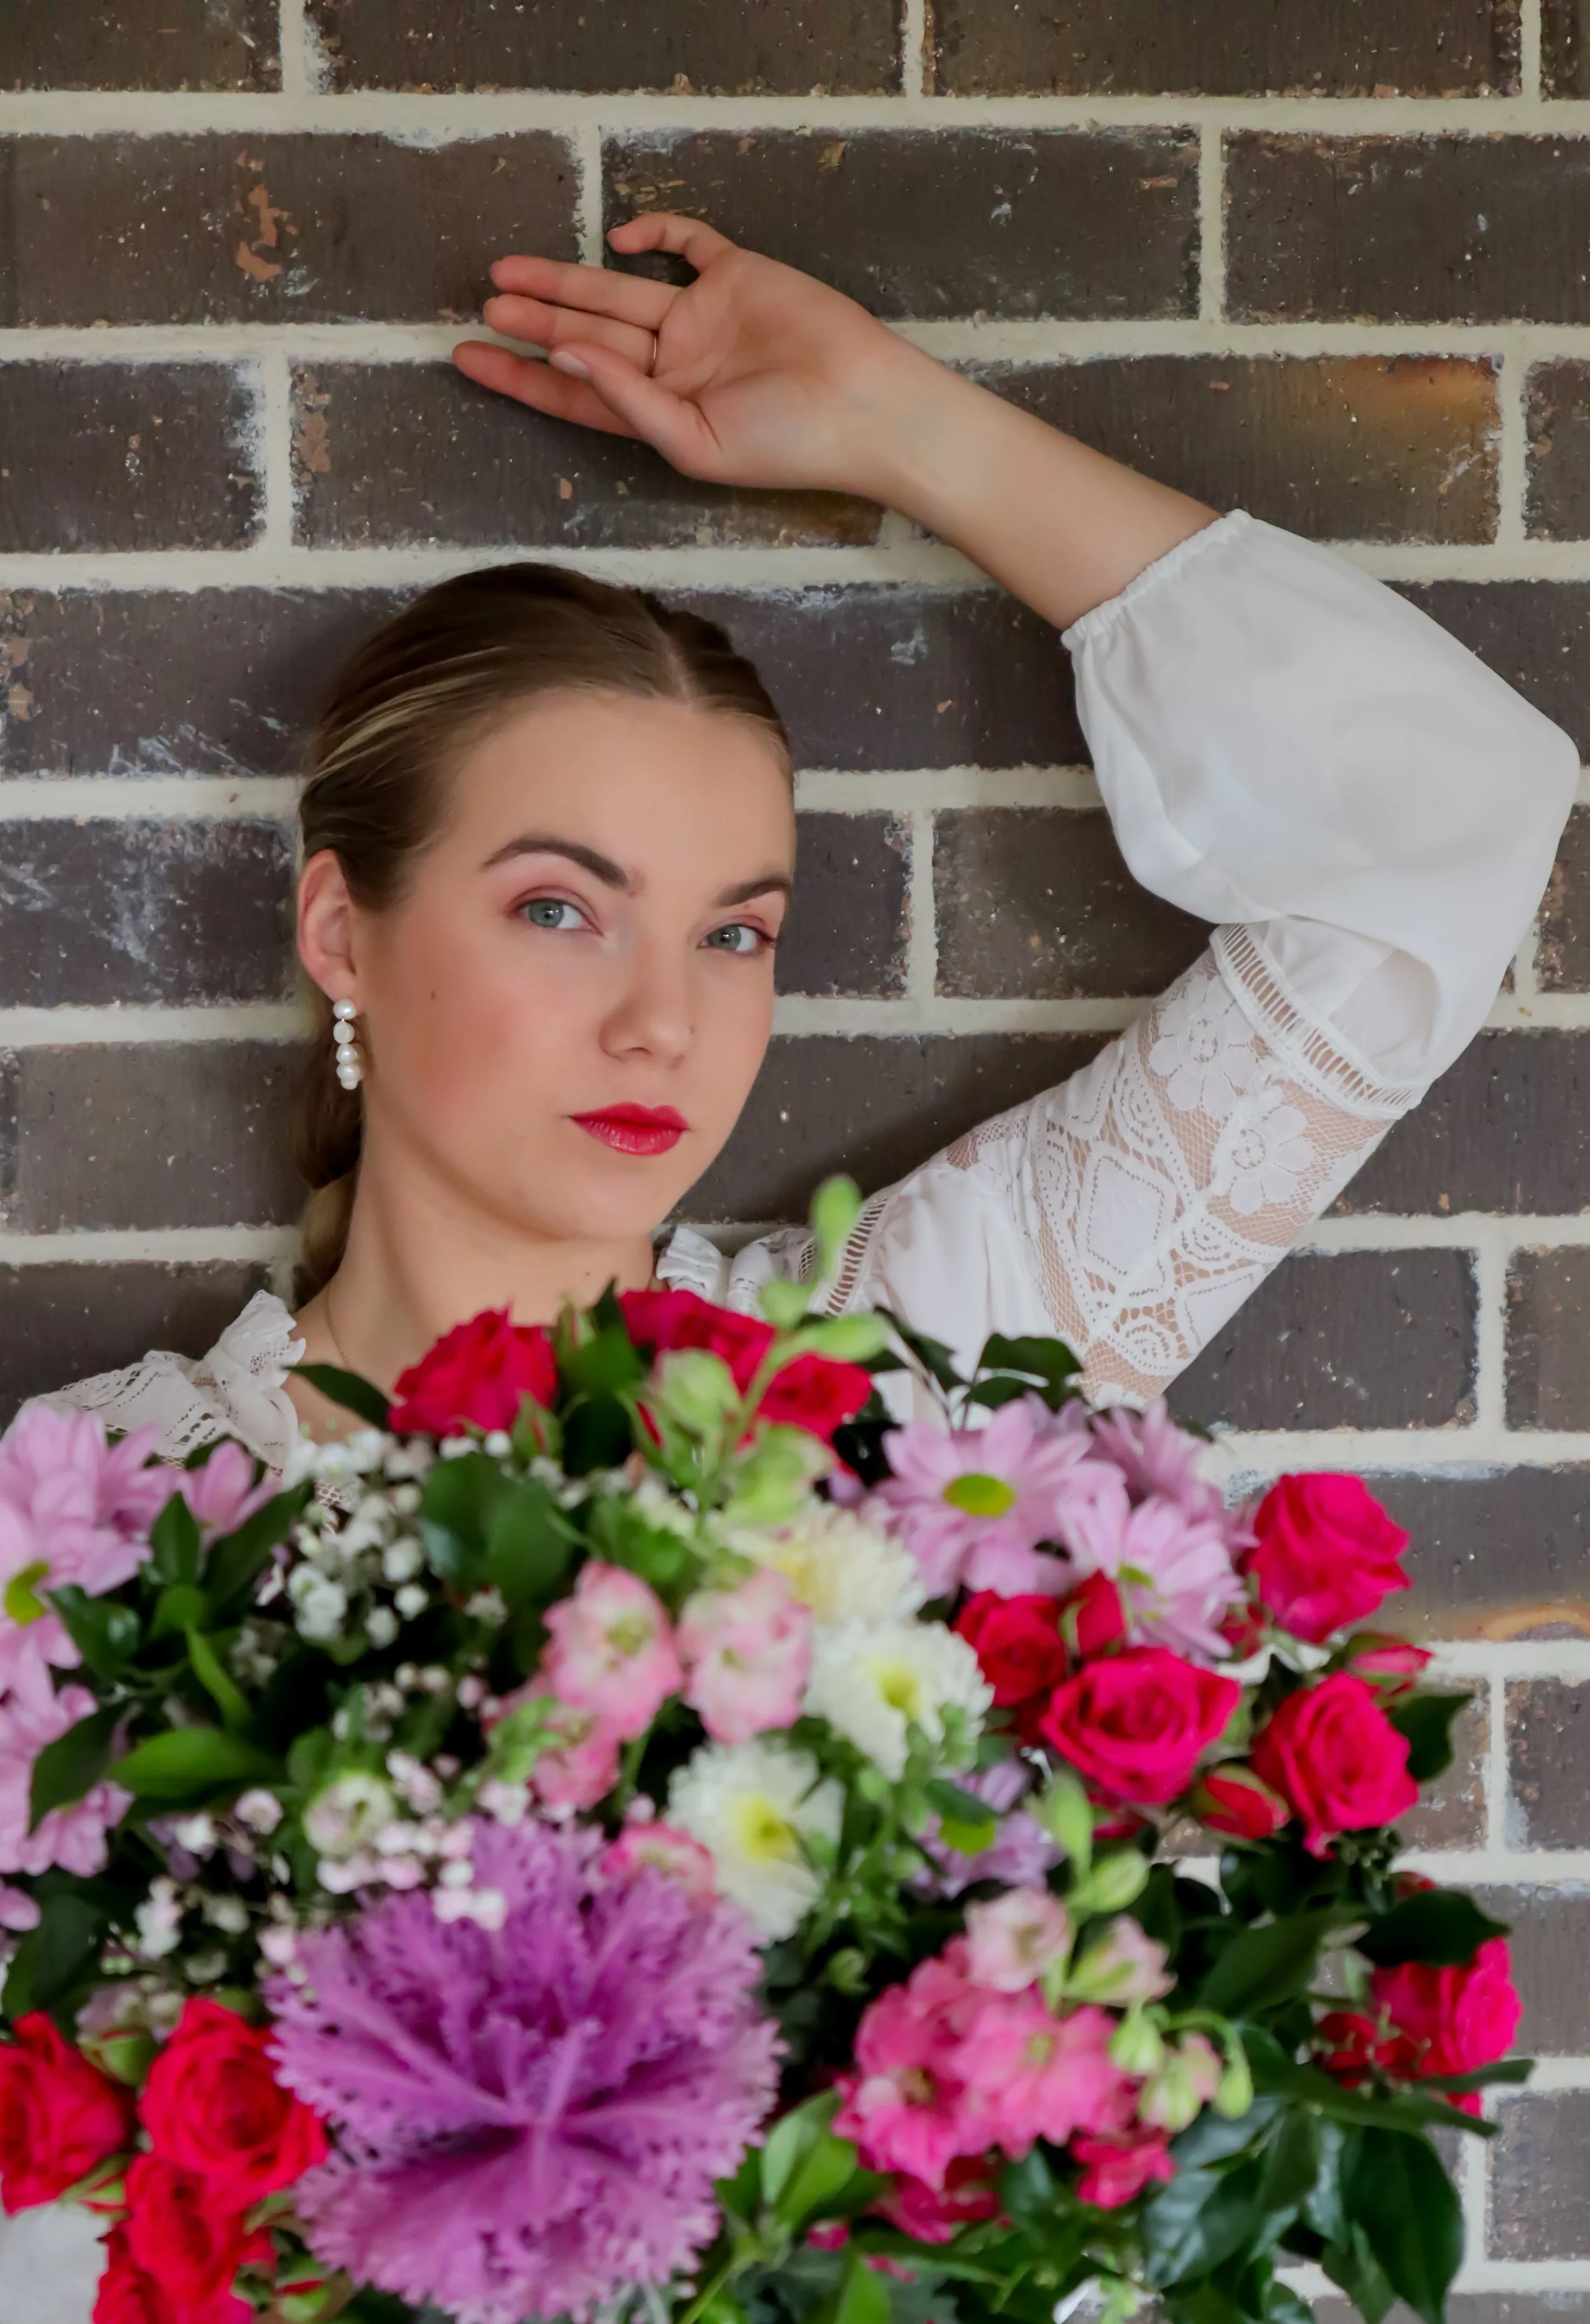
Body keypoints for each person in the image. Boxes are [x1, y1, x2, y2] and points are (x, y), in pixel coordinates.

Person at [35, 211, 1579, 1469]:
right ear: (339, 929)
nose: (663, 1026)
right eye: (561, 909)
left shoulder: (909, 1367)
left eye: (733, 934)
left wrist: (904, 431)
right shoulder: (84, 1521)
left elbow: (1452, 808)